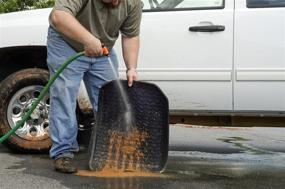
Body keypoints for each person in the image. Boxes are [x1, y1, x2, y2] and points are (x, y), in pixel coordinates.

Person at [46, 0, 142, 173]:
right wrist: (88, 39)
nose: (114, 2)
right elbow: (58, 16)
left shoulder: (133, 3)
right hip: (67, 43)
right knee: (64, 96)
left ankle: (109, 150)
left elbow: (131, 35)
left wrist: (131, 67)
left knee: (110, 99)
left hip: (102, 49)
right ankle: (63, 153)